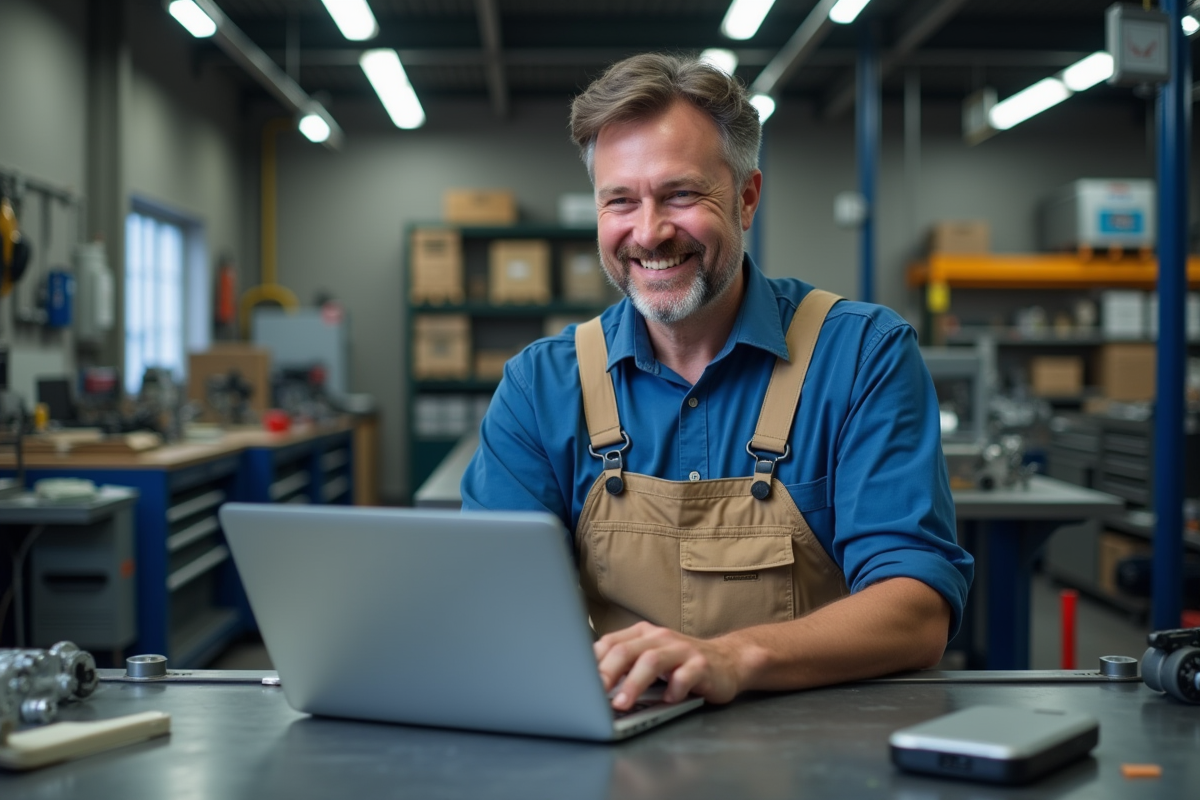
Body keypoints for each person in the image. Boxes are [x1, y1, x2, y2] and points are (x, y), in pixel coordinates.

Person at [461, 53, 973, 712]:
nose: (649, 232)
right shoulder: (540, 385)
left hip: (822, 745)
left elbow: (917, 611)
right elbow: (496, 599)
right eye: (621, 200)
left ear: (747, 196)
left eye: (680, 194)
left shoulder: (862, 356)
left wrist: (732, 655)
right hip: (617, 738)